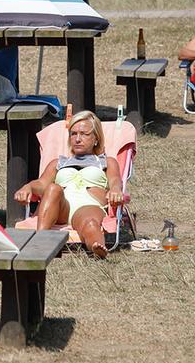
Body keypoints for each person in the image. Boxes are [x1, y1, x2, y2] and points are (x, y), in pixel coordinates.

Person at [14, 111, 122, 258]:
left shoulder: (106, 162)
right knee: (53, 188)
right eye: (73, 134)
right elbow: (41, 183)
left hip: (89, 206)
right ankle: (40, 241)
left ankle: (97, 247)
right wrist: (29, 187)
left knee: (90, 224)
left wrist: (115, 189)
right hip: (60, 208)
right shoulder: (58, 163)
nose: (77, 139)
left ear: (96, 138)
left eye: (84, 134)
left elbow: (115, 180)